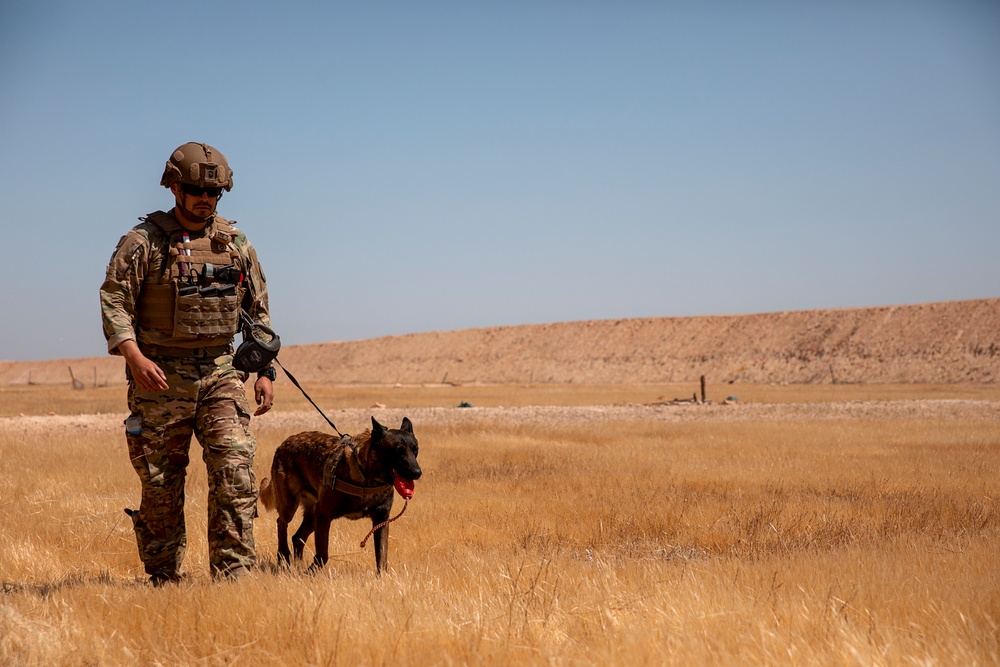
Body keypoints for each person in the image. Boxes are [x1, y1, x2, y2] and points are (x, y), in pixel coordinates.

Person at [100, 142, 276, 584]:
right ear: (175, 187)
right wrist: (133, 355)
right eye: (197, 189)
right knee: (161, 484)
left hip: (220, 372)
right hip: (160, 377)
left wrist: (265, 371)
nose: (206, 198)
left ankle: (234, 578)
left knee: (235, 471)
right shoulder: (144, 242)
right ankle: (163, 579)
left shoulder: (235, 244)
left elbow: (258, 312)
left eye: (214, 193)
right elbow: (115, 299)